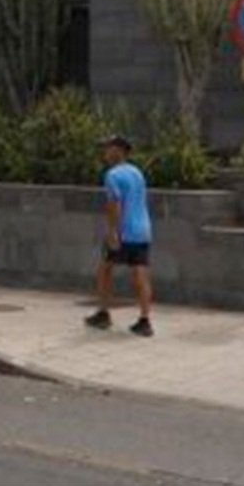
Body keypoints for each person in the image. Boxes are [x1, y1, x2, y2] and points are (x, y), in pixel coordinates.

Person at [85, 133, 155, 337]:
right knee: (140, 274)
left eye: (107, 148)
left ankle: (103, 313)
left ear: (118, 151)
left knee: (104, 270)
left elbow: (114, 204)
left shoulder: (112, 175)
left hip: (124, 231)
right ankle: (145, 320)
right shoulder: (137, 172)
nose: (104, 152)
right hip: (143, 230)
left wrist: (113, 232)